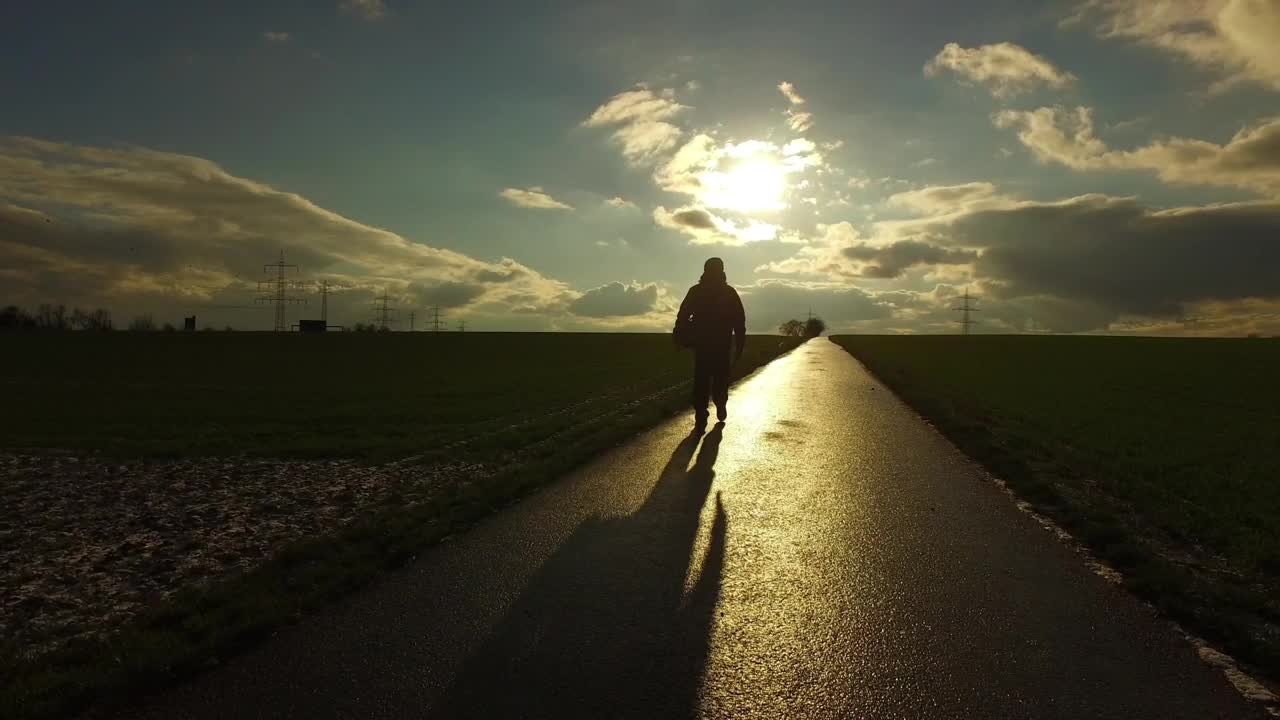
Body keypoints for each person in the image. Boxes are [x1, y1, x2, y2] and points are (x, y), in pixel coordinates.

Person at [673, 257, 746, 431]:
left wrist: (679, 336)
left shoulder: (696, 291)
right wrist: (739, 346)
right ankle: (719, 404)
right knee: (720, 377)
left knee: (702, 379)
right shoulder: (729, 292)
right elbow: (739, 321)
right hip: (722, 344)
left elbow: (682, 316)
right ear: (722, 271)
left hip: (702, 344)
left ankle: (701, 413)